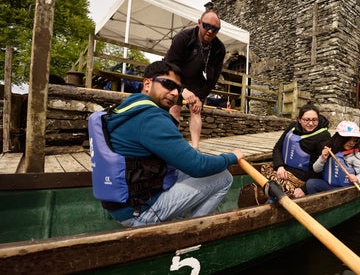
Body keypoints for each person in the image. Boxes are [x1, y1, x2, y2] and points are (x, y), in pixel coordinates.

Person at [88, 61, 243, 227]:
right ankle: (189, 232)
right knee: (223, 177)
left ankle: (179, 218)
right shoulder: (151, 118)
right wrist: (232, 157)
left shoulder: (128, 108)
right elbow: (198, 166)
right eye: (168, 84)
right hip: (140, 211)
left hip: (123, 202)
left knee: (182, 169)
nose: (175, 93)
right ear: (147, 84)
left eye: (179, 88)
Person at [163, 10, 225, 150]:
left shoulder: (219, 48)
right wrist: (181, 90)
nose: (210, 31)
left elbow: (213, 78)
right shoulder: (182, 38)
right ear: (199, 23)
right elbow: (170, 66)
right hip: (176, 76)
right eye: (206, 26)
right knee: (175, 107)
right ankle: (173, 145)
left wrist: (199, 97)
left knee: (196, 109)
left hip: (198, 80)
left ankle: (195, 148)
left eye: (215, 29)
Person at [261, 102, 331, 198]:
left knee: (281, 189)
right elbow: (277, 148)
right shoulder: (292, 127)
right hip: (284, 169)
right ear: (299, 120)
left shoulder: (323, 136)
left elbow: (322, 168)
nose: (311, 123)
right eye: (306, 120)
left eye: (314, 120)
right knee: (264, 168)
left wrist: (304, 189)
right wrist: (279, 166)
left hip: (302, 177)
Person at [305, 121, 360, 194]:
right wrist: (322, 159)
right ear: (340, 138)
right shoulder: (330, 150)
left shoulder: (355, 156)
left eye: (355, 141)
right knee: (311, 184)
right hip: (329, 186)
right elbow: (316, 169)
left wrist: (357, 179)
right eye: (348, 139)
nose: (352, 143)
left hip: (345, 189)